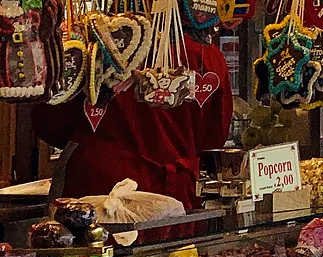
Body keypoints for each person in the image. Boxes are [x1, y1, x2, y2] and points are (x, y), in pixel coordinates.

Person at [33, 37, 232, 211]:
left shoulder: (98, 48)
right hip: (176, 194)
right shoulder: (207, 55)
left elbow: (49, 121)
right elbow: (215, 138)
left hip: (101, 189)